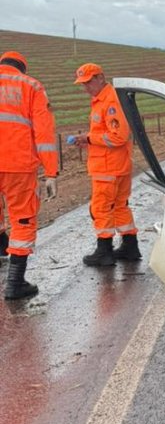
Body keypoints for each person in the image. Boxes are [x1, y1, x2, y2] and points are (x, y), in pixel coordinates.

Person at [0, 51, 58, 299]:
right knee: (22, 220)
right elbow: (44, 133)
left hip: (15, 163)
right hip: (18, 164)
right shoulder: (31, 85)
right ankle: (15, 283)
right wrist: (51, 172)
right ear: (21, 68)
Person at [72, 63, 141, 266]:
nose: (86, 88)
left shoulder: (110, 100)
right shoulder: (104, 99)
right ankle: (130, 246)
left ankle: (104, 251)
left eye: (88, 82)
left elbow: (118, 136)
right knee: (120, 206)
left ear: (100, 77)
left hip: (108, 167)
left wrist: (89, 138)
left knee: (101, 208)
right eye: (82, 84)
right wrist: (88, 140)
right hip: (116, 165)